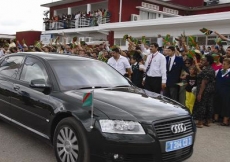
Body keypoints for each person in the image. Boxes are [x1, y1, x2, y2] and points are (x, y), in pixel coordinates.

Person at [193, 55, 215, 128]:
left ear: (208, 62)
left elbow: (204, 82)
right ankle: (207, 121)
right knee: (209, 104)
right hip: (211, 89)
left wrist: (200, 93)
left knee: (202, 104)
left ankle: (200, 122)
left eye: (204, 60)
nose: (202, 61)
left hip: (205, 89)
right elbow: (201, 72)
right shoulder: (211, 69)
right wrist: (196, 63)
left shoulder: (207, 70)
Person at [213, 58, 230, 126]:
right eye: (222, 63)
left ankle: (225, 121)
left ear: (229, 65)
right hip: (218, 90)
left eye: (224, 64)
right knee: (217, 103)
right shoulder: (219, 71)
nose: (222, 65)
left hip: (227, 92)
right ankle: (215, 118)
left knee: (226, 105)